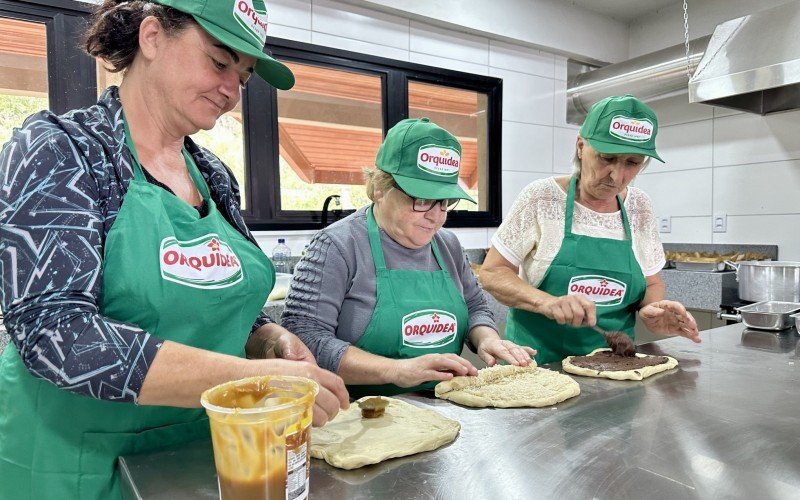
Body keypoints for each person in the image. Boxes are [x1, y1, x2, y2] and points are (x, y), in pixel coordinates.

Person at [0, 1, 348, 497]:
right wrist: (251, 380)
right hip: (72, 467)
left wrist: (266, 338)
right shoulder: (63, 151)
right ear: (152, 37)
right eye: (219, 62)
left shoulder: (214, 178)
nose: (232, 91)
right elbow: (58, 335)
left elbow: (219, 303)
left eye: (244, 78)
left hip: (190, 464)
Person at [282, 118, 536, 398]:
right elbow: (304, 339)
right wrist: (396, 371)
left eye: (444, 202)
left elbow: (475, 305)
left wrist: (486, 338)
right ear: (380, 187)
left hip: (443, 407)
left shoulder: (447, 245)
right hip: (357, 415)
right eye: (422, 199)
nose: (435, 215)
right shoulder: (338, 246)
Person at [480, 95, 701, 365]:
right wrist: (546, 302)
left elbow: (652, 282)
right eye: (607, 158)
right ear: (581, 147)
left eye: (632, 163)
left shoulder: (639, 207)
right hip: (536, 364)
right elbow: (492, 273)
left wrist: (651, 310)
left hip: (616, 366)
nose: (616, 176)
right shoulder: (542, 198)